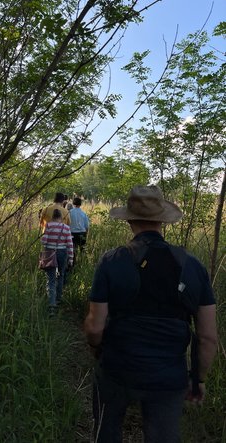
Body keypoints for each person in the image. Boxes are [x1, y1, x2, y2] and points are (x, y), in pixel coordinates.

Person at [84, 185, 217, 443]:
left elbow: (95, 327)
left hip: (117, 369)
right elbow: (208, 336)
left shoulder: (112, 261)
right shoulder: (193, 266)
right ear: (162, 220)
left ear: (130, 220)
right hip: (168, 378)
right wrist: (198, 379)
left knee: (106, 433)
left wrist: (96, 349)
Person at [41, 208, 73, 315]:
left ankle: (51, 304)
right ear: (61, 217)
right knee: (61, 275)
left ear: (52, 217)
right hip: (62, 253)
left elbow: (44, 242)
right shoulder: (66, 228)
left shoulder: (48, 226)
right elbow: (69, 244)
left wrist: (48, 242)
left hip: (50, 253)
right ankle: (58, 299)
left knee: (51, 278)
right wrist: (71, 258)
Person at [69, 197, 89, 263]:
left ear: (73, 203)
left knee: (73, 251)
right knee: (83, 249)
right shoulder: (83, 213)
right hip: (82, 233)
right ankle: (83, 263)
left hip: (72, 234)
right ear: (80, 204)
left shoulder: (69, 213)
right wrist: (85, 234)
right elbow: (87, 226)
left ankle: (73, 264)